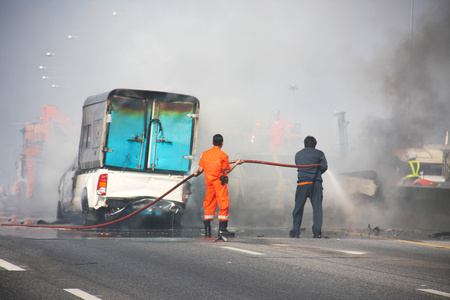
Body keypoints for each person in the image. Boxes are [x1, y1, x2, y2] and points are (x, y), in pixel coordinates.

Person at [194, 134, 242, 238]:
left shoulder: (205, 154)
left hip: (209, 183)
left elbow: (200, 170)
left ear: (212, 142)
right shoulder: (223, 155)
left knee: (209, 204)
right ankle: (222, 230)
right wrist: (236, 164)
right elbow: (226, 171)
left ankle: (207, 231)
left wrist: (195, 174)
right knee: (223, 203)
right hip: (219, 183)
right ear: (222, 143)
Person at [290, 136, 328, 238]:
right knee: (317, 208)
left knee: (298, 207)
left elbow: (298, 164)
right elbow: (324, 166)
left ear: (304, 144)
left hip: (302, 183)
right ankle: (317, 232)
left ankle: (295, 230)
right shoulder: (319, 154)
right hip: (316, 183)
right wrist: (318, 172)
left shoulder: (298, 154)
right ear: (315, 145)